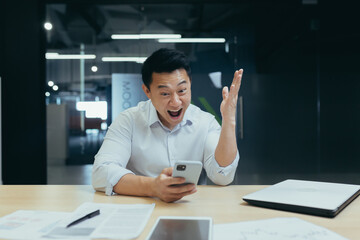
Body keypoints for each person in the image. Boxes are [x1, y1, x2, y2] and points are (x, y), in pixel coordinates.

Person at [92, 48, 243, 202]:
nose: (176, 102)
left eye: (182, 90)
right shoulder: (128, 120)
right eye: (165, 93)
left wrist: (229, 120)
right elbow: (101, 173)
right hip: (140, 210)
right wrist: (152, 187)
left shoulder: (205, 122)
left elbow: (222, 176)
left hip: (190, 211)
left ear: (190, 84)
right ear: (147, 91)